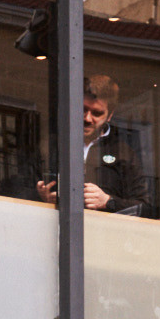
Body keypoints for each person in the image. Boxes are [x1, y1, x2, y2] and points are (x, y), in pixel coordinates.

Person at [39, 74, 150, 218]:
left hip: (104, 233)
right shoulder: (51, 144)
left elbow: (145, 208)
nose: (87, 118)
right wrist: (42, 199)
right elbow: (15, 189)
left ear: (109, 115)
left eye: (97, 113)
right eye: (83, 109)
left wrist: (108, 202)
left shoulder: (123, 152)